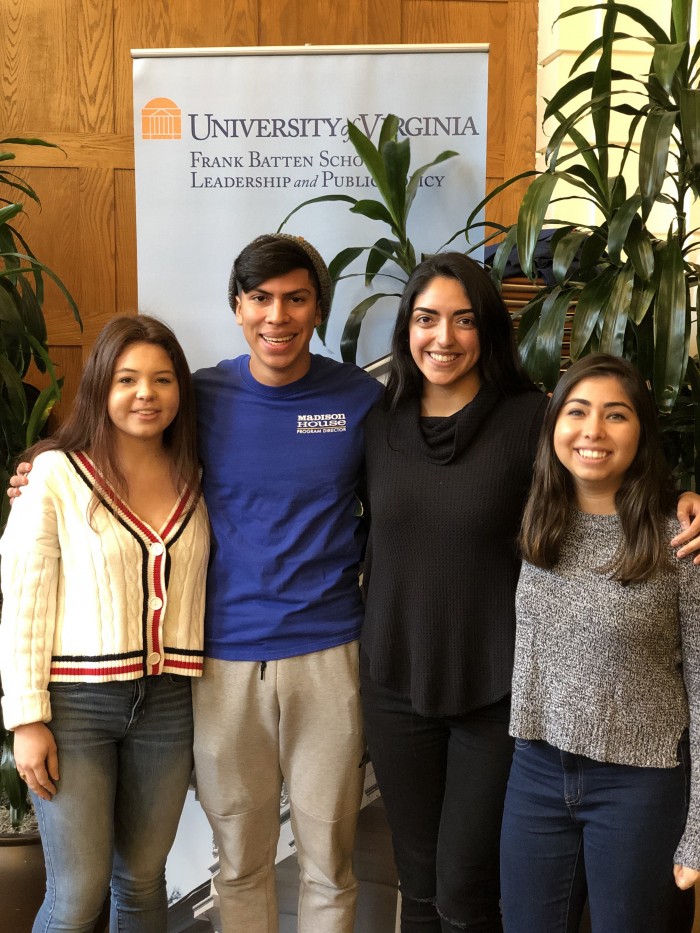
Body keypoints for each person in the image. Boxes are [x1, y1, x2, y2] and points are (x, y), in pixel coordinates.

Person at [358, 254, 700, 933]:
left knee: (466, 888)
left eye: (463, 319)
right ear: (406, 328)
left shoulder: (533, 421)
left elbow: (607, 466)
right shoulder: (378, 419)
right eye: (427, 318)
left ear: (488, 328)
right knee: (417, 883)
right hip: (397, 680)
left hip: (498, 693)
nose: (444, 336)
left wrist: (685, 498)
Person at [190, 234, 383, 933]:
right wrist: (41, 458)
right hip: (223, 659)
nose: (278, 315)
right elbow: (113, 440)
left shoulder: (358, 399)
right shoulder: (201, 395)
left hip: (329, 653)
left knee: (329, 855)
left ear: (318, 308)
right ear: (238, 308)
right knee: (239, 856)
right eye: (261, 299)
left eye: (296, 298)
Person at [0, 315, 210, 933]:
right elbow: (24, 601)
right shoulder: (55, 476)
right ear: (100, 387)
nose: (146, 393)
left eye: (162, 380)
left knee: (144, 880)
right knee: (77, 893)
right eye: (127, 379)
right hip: (74, 709)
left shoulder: (197, 477)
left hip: (170, 703)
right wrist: (27, 718)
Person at [500, 353, 700, 933]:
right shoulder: (535, 523)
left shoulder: (678, 542)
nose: (593, 431)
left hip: (640, 784)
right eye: (578, 412)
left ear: (641, 431)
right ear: (554, 425)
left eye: (616, 415)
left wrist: (698, 829)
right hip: (535, 771)